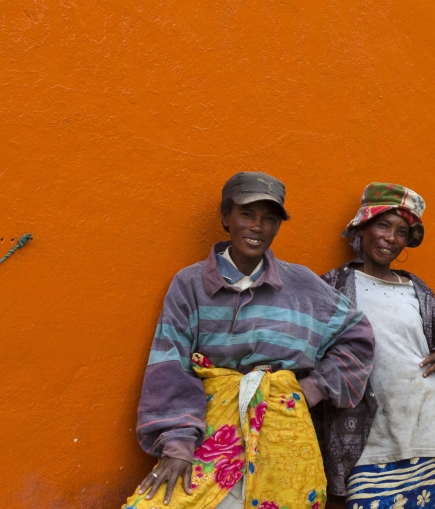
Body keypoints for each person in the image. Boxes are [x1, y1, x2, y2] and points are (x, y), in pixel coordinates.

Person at [122, 172, 375, 509]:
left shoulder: (301, 284)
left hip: (283, 428)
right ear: (225, 217)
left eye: (269, 219)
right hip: (211, 430)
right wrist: (177, 446)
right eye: (246, 214)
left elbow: (357, 335)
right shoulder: (191, 284)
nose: (257, 227)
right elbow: (170, 365)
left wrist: (312, 388)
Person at [318, 183, 435, 509]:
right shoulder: (333, 288)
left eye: (401, 232)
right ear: (363, 227)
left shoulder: (418, 291)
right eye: (383, 225)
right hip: (369, 447)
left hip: (430, 437)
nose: (390, 238)